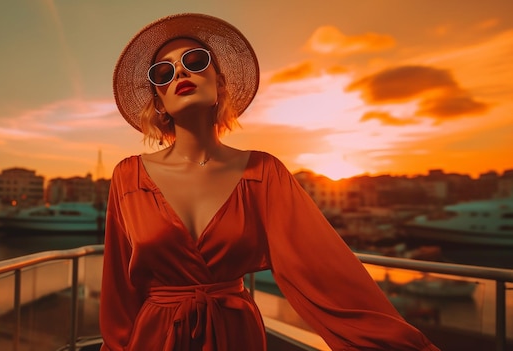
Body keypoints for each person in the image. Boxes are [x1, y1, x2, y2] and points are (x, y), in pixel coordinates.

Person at [101, 13, 440, 351]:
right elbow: (119, 290)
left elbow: (325, 270)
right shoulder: (128, 177)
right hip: (154, 339)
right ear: (159, 102)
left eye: (194, 60)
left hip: (235, 336)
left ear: (219, 84)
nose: (181, 72)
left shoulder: (264, 173)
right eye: (164, 72)